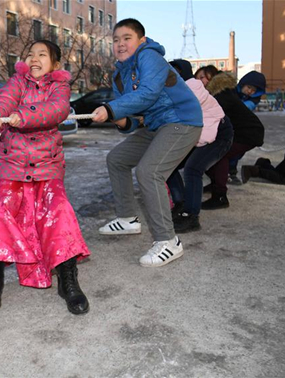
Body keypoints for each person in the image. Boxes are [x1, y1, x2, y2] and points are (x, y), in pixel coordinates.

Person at [0, 40, 91, 315]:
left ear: (55, 65)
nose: (34, 59)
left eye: (42, 54)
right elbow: (4, 98)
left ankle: (68, 278)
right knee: (0, 213)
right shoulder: (18, 81)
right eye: (30, 54)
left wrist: (22, 116)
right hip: (13, 162)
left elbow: (57, 109)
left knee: (58, 212)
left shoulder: (60, 87)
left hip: (46, 165)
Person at [92, 19, 203, 268]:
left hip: (182, 121)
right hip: (156, 126)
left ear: (141, 40)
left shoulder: (149, 56)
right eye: (116, 40)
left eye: (127, 38)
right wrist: (120, 120)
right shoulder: (119, 76)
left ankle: (168, 241)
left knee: (149, 172)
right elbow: (132, 119)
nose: (121, 44)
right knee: (117, 159)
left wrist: (110, 108)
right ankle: (128, 218)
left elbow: (148, 94)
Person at [166, 59, 233, 233]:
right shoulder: (173, 90)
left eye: (175, 73)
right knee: (167, 165)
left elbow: (204, 133)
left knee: (193, 169)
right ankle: (181, 204)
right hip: (198, 135)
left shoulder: (192, 89)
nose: (170, 76)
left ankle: (191, 216)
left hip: (218, 134)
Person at [194, 65, 265, 210]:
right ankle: (216, 185)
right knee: (208, 154)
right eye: (197, 77)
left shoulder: (222, 94)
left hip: (248, 133)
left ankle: (220, 196)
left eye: (202, 77)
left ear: (212, 78)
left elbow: (207, 116)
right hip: (241, 132)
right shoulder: (222, 92)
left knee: (220, 155)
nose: (198, 81)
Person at [227, 70, 267, 184]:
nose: (250, 91)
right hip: (226, 124)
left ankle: (231, 171)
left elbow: (243, 109)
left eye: (254, 90)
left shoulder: (252, 100)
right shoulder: (231, 92)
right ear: (242, 84)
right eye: (249, 87)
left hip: (240, 128)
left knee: (236, 151)